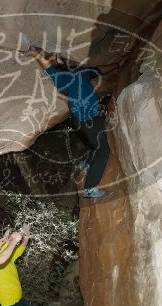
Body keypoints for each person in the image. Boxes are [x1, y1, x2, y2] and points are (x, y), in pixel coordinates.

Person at [30, 48, 110, 198]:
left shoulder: (79, 70)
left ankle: (86, 165)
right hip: (85, 117)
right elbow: (46, 64)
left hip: (86, 117)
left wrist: (117, 65)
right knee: (103, 149)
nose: (57, 58)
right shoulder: (59, 76)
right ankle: (90, 188)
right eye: (54, 58)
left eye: (58, 57)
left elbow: (99, 70)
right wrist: (35, 54)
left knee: (95, 142)